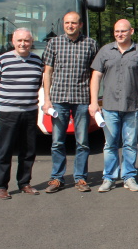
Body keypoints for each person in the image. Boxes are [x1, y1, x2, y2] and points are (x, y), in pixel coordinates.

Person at [89, 19, 138, 193]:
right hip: (109, 107)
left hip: (132, 107)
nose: (119, 34)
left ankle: (129, 177)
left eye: (123, 31)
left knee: (130, 144)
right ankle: (108, 178)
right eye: (117, 31)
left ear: (131, 31)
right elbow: (95, 76)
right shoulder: (105, 51)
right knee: (110, 145)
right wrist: (94, 102)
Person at [41, 11, 98, 193]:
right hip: (58, 100)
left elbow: (95, 75)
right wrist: (47, 99)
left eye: (73, 23)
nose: (70, 26)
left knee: (82, 142)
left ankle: (80, 178)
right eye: (67, 23)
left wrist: (93, 101)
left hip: (82, 99)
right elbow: (48, 72)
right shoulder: (54, 43)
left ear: (80, 25)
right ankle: (57, 178)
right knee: (57, 141)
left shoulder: (90, 44)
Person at [0, 28, 44, 199]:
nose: (23, 44)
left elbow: (38, 83)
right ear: (13, 41)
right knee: (4, 150)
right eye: (19, 40)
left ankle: (24, 183)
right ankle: (1, 186)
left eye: (26, 41)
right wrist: (8, 100)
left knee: (28, 150)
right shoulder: (2, 60)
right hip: (8, 113)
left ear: (31, 42)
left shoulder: (37, 60)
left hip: (30, 111)